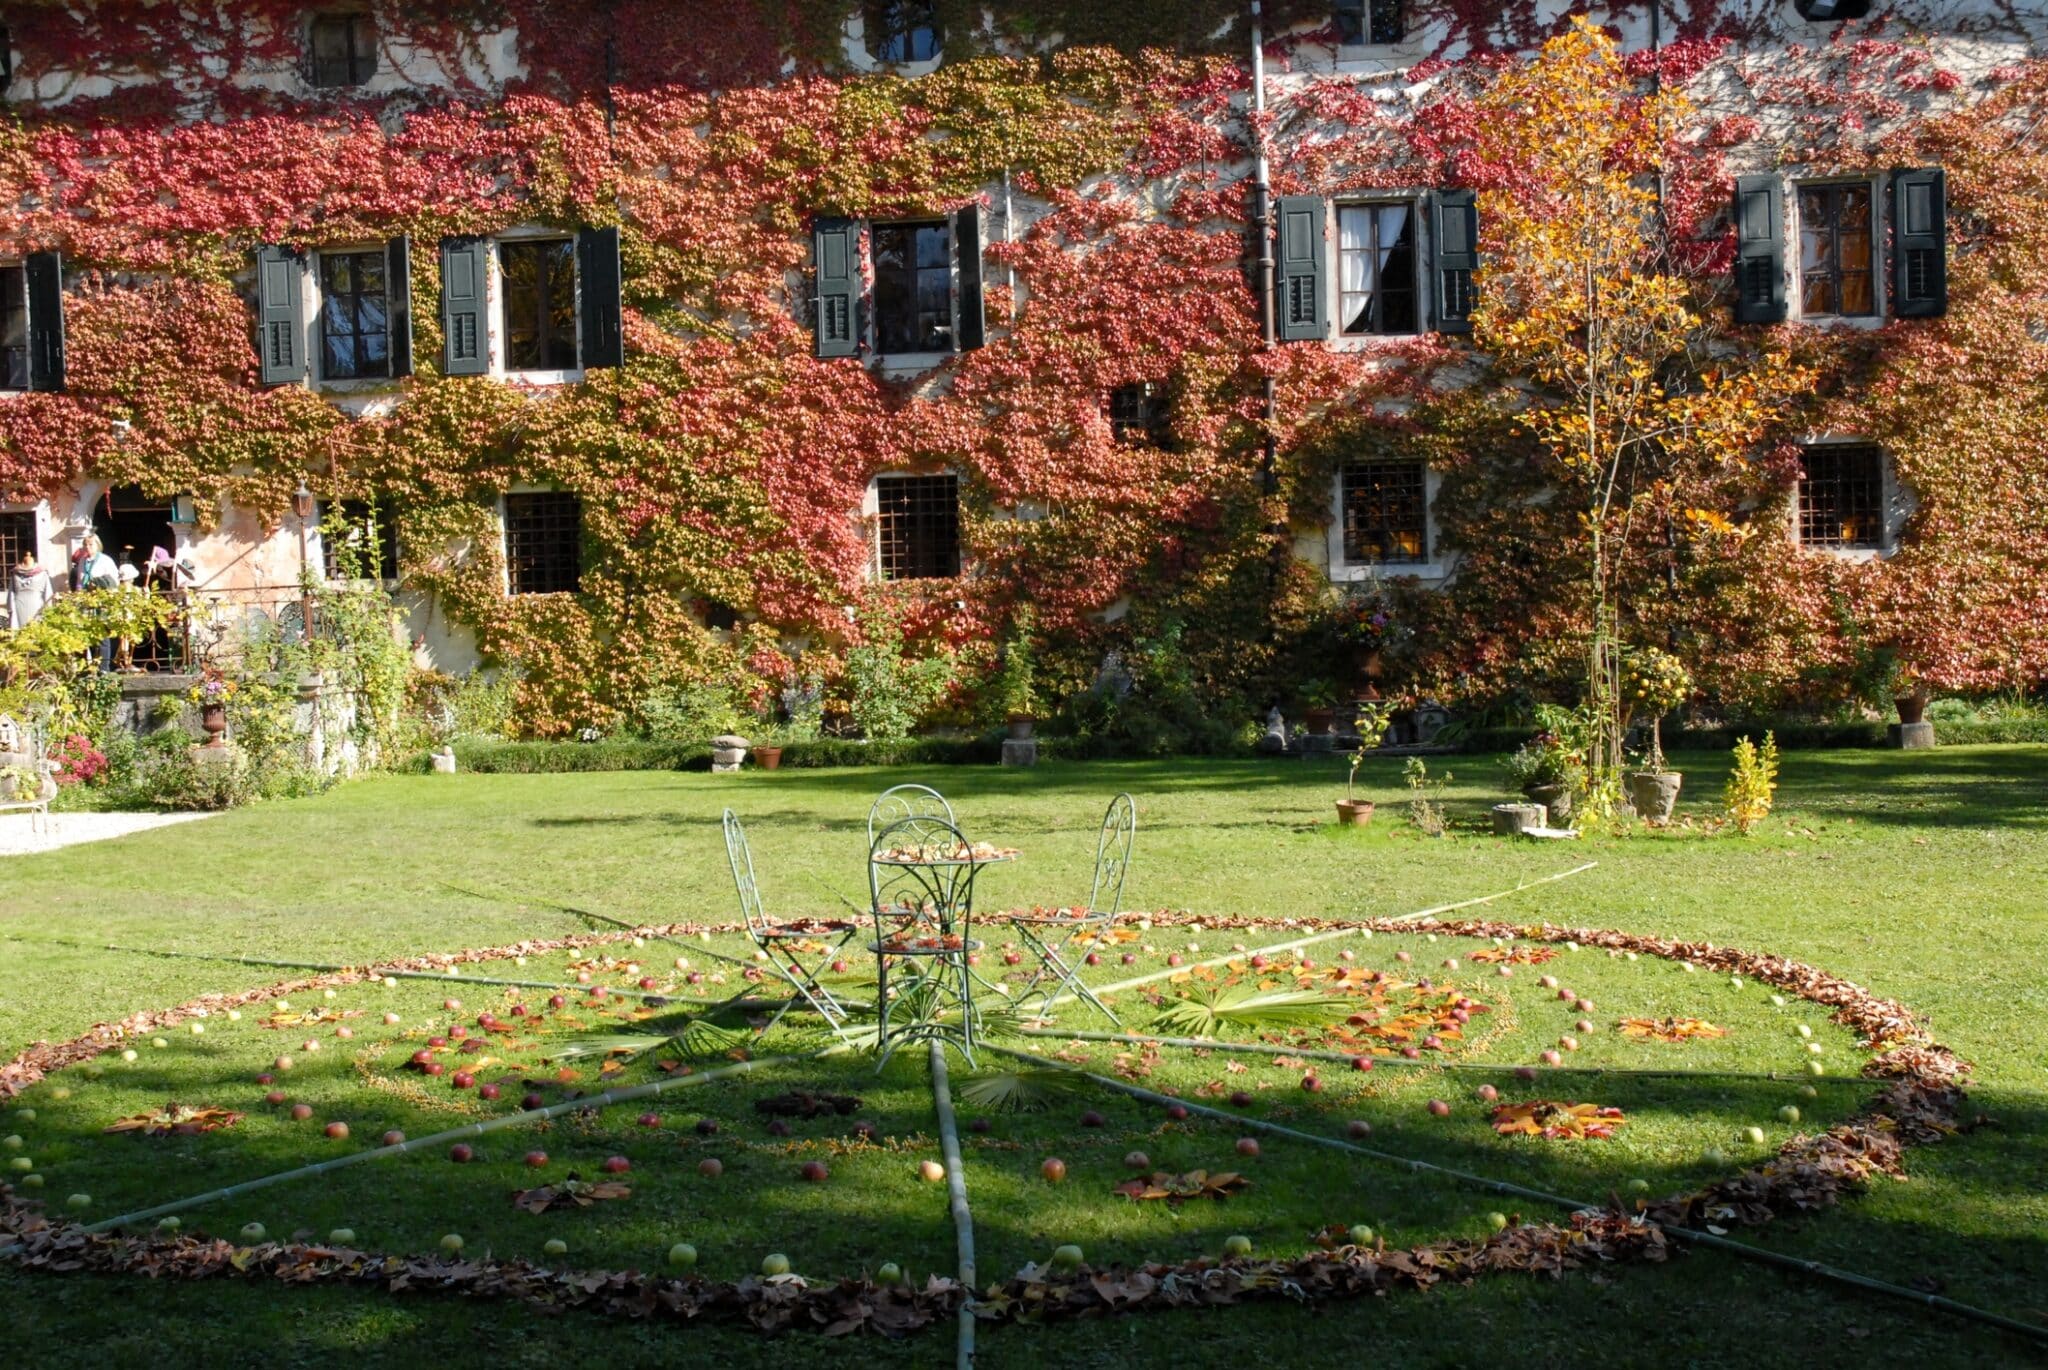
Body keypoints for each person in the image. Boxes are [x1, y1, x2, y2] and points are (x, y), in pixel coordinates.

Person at [8, 548, 51, 629]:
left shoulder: (42, 572)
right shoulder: (15, 573)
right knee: (21, 629)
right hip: (19, 607)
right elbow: (11, 593)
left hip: (37, 606)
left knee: (36, 629)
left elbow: (48, 593)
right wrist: (10, 608)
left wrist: (49, 609)